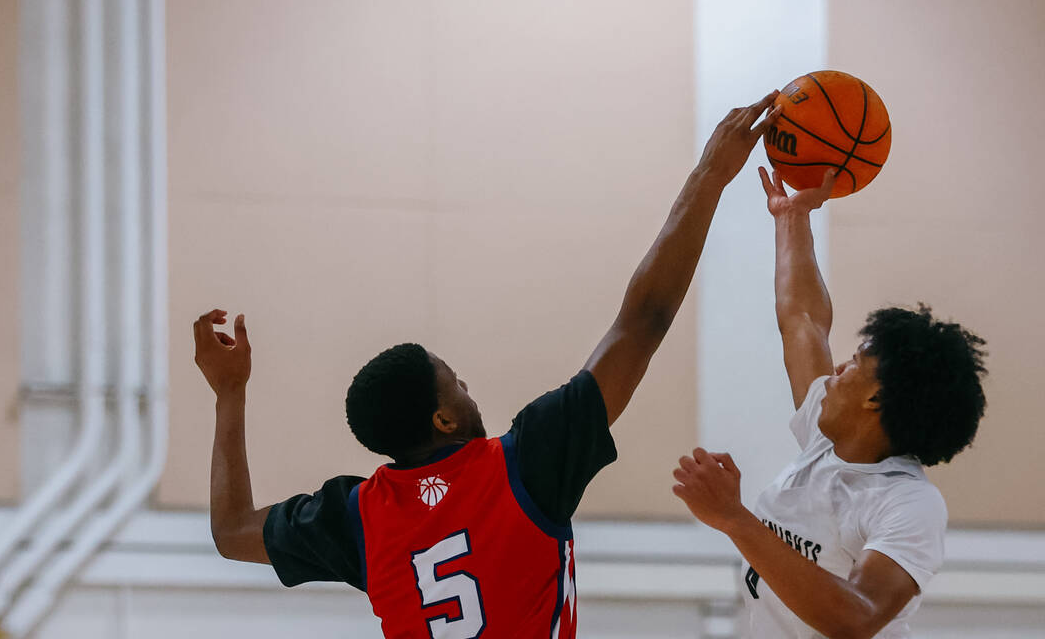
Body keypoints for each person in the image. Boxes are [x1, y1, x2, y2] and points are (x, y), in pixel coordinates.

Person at [192, 94, 782, 639]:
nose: (468, 386)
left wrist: (229, 393)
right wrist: (710, 175)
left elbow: (232, 532)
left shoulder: (357, 518)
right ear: (443, 420)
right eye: (455, 382)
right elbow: (643, 322)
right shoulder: (525, 463)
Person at [671, 167, 988, 639]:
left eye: (855, 362)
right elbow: (802, 319)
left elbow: (857, 617)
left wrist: (735, 519)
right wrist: (792, 218)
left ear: (875, 397)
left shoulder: (909, 503)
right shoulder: (825, 441)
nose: (837, 368)